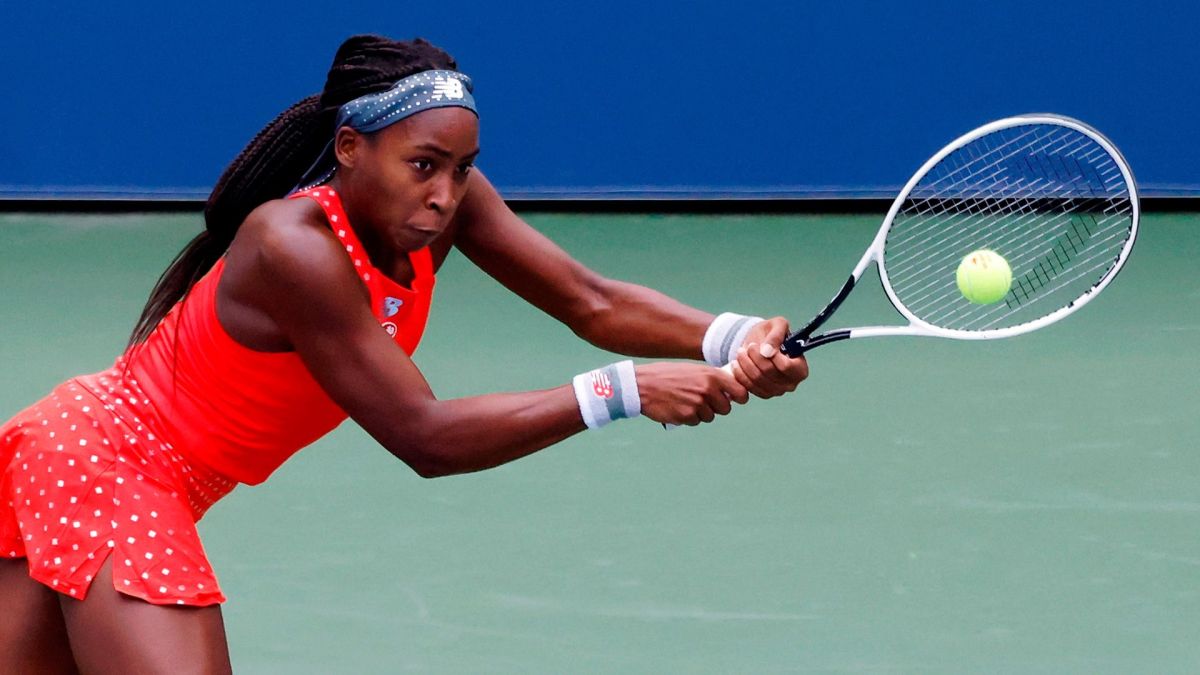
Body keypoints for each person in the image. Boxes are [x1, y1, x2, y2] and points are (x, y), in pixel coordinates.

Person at [0, 34, 808, 673]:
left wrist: (734, 337)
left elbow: (587, 299)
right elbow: (423, 436)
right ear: (351, 148)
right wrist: (621, 390)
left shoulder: (442, 203)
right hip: (104, 468)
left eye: (462, 170)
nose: (445, 193)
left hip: (82, 454)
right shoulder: (294, 247)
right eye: (423, 165)